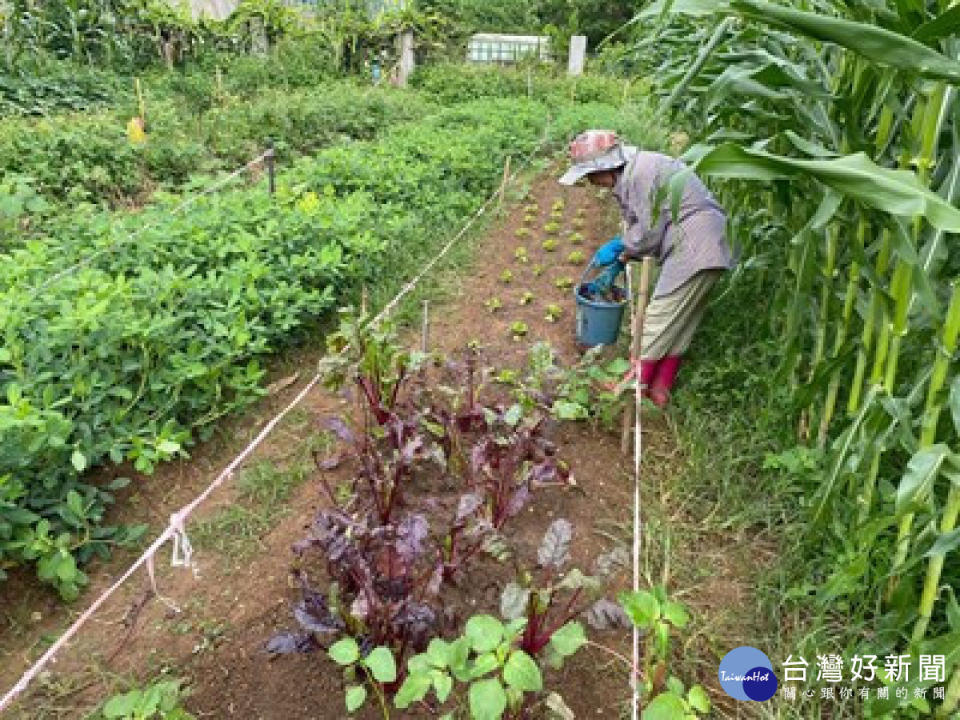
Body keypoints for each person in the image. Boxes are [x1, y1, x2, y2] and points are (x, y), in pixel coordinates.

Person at [559, 129, 734, 408]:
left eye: (591, 176)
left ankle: (629, 387)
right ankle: (659, 390)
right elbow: (649, 223)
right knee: (680, 323)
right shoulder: (638, 168)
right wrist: (623, 257)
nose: (592, 183)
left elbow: (648, 233)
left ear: (606, 167)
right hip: (709, 244)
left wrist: (622, 246)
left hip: (693, 244)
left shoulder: (640, 175)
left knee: (656, 318)